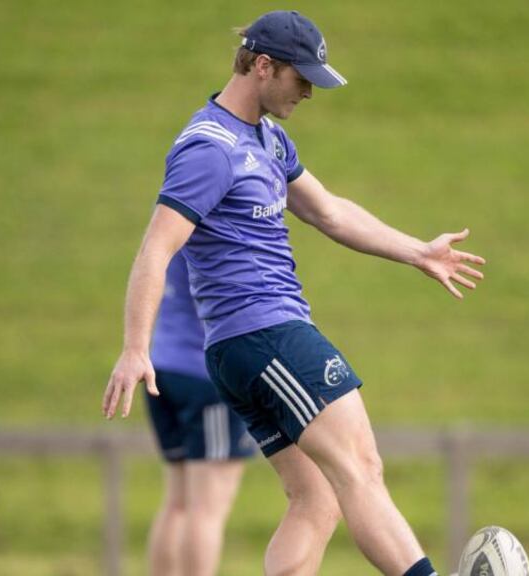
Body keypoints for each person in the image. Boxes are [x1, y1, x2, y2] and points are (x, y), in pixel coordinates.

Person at [102, 11, 485, 576]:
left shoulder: (268, 138)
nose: (308, 92)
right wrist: (136, 347)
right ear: (262, 66)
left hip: (246, 346)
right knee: (360, 467)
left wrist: (418, 252)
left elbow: (329, 212)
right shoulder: (209, 147)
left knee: (318, 497)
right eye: (301, 78)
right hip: (266, 334)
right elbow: (155, 249)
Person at [143, 250, 256, 576]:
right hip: (205, 376)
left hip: (163, 366)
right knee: (207, 508)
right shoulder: (218, 227)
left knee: (177, 502)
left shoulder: (170, 223)